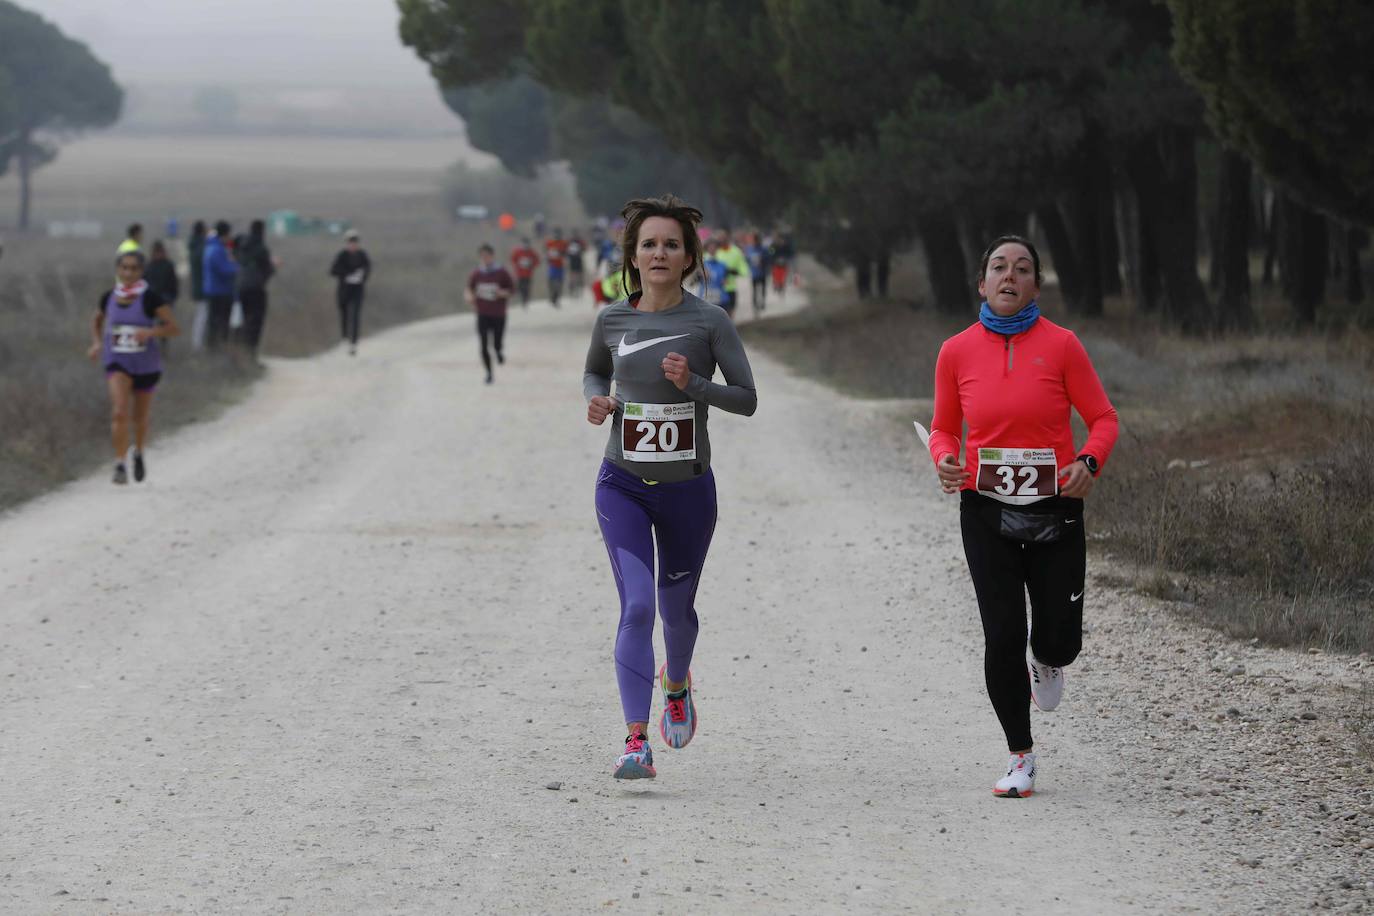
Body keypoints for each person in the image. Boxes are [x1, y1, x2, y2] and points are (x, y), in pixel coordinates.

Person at [927, 235, 1119, 799]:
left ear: (1036, 285)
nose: (1009, 276)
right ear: (982, 283)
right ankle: (1020, 755)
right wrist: (944, 459)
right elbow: (942, 428)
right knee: (1002, 633)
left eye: (1022, 269)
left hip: (1055, 508)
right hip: (986, 510)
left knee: (1057, 640)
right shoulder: (955, 351)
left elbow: (1103, 419)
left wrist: (1089, 461)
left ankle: (1050, 659)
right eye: (998, 268)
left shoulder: (1062, 346)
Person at [583, 194, 758, 780]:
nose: (660, 253)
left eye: (672, 245)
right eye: (649, 244)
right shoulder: (611, 319)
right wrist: (597, 399)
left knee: (675, 611)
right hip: (623, 484)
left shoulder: (709, 322)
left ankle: (676, 683)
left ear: (689, 257)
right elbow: (592, 369)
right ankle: (636, 740)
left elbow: (748, 399)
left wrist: (696, 385)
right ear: (632, 255)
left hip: (687, 490)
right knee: (635, 607)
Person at [86, 251, 180, 484]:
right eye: (124, 268)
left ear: (141, 271)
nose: (128, 273)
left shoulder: (151, 298)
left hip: (146, 365)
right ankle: (119, 464)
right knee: (119, 411)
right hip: (117, 361)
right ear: (117, 270)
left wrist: (150, 332)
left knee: (139, 417)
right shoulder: (108, 297)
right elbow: (96, 320)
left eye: (134, 269)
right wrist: (97, 343)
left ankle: (137, 452)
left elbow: (174, 328)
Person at [465, 243, 515, 384]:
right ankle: (489, 373)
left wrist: (502, 293)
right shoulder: (477, 273)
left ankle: (499, 351)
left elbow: (511, 289)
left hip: (499, 313)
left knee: (496, 343)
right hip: (482, 313)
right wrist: (469, 296)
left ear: (492, 256)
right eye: (482, 257)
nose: (485, 259)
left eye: (487, 256)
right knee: (483, 344)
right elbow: (469, 289)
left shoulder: (501, 272)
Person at [235, 219, 277, 361]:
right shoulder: (261, 248)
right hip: (256, 289)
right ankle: (250, 354)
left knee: (242, 320)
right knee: (255, 322)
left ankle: (239, 352)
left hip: (240, 287)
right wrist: (272, 267)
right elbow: (268, 270)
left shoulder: (241, 245)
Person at [330, 230, 371, 355]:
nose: (353, 245)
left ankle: (354, 341)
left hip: (357, 289)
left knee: (355, 315)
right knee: (344, 314)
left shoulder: (362, 255)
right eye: (350, 243)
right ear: (347, 243)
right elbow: (333, 271)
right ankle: (344, 338)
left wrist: (361, 275)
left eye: (355, 243)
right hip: (344, 289)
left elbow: (368, 268)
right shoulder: (342, 255)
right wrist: (346, 275)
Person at [202, 221, 238, 350]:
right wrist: (237, 267)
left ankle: (214, 348)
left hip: (214, 290)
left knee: (214, 323)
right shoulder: (217, 250)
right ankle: (216, 349)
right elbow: (224, 269)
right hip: (220, 292)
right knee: (220, 324)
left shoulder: (211, 247)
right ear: (225, 234)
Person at [143, 241, 179, 358]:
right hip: (153, 301)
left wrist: (172, 297)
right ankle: (151, 349)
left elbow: (173, 283)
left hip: (165, 301)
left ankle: (162, 349)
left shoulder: (168, 265)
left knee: (163, 326)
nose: (158, 254)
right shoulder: (148, 266)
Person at [711, 228, 751, 318]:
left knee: (730, 315)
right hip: (716, 290)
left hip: (730, 288)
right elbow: (705, 266)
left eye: (723, 238)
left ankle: (730, 329)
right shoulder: (713, 252)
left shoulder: (736, 252)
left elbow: (744, 269)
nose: (721, 240)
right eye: (719, 238)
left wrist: (734, 272)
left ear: (728, 238)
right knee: (716, 316)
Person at [186, 221, 208, 350]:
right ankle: (198, 344)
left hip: (197, 284)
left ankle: (197, 342)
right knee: (202, 316)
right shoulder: (201, 247)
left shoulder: (194, 245)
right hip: (203, 286)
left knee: (201, 315)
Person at [745, 231, 770, 316]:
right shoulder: (749, 249)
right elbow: (747, 260)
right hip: (754, 273)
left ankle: (762, 301)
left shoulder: (763, 249)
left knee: (763, 288)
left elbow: (768, 259)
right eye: (754, 240)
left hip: (762, 272)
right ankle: (755, 305)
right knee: (755, 290)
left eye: (756, 240)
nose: (755, 242)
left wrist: (762, 261)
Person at [509, 238, 540, 307]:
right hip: (519, 273)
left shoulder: (532, 252)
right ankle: (521, 299)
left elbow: (537, 261)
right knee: (520, 287)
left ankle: (525, 301)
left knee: (527, 288)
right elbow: (513, 259)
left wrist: (531, 264)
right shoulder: (517, 251)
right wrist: (518, 264)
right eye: (524, 244)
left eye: (526, 244)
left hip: (528, 274)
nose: (525, 246)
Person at [545, 229, 568, 307]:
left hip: (560, 265)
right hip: (552, 265)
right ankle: (552, 296)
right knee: (551, 281)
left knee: (560, 283)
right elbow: (546, 251)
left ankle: (556, 298)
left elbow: (566, 253)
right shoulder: (549, 243)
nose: (557, 236)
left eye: (558, 234)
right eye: (555, 234)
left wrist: (561, 253)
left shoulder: (563, 243)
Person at [566, 231, 587, 299]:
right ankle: (572, 288)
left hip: (577, 260)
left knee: (578, 275)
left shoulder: (579, 242)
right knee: (573, 275)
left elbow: (584, 248)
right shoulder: (571, 242)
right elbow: (566, 251)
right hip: (574, 260)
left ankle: (579, 286)